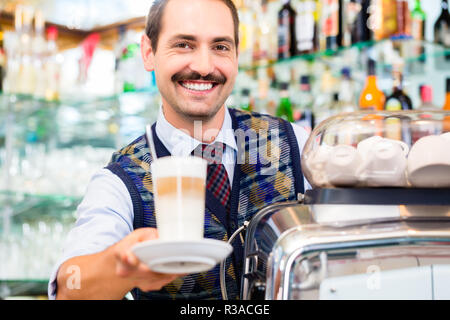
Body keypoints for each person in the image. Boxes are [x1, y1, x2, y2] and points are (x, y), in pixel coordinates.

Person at [49, 0, 311, 300]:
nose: (203, 66)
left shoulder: (293, 143)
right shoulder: (121, 181)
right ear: (149, 52)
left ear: (237, 55)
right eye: (184, 44)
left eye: (221, 47)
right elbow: (70, 286)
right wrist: (121, 265)